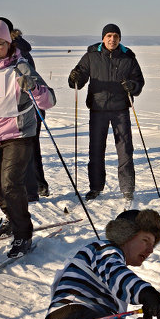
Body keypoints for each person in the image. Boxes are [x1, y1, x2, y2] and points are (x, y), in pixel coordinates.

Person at [0, 18, 56, 257]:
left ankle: (23, 234)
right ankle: (11, 217)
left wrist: (33, 87)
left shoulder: (20, 67)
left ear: (8, 43)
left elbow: (49, 101)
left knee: (11, 184)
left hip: (18, 134)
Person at [68, 23, 144, 203]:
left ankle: (127, 189)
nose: (112, 39)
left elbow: (139, 82)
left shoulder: (128, 57)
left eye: (116, 36)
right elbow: (78, 80)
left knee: (125, 149)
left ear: (120, 39)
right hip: (98, 109)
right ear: (103, 38)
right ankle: (95, 187)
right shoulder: (91, 56)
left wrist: (132, 86)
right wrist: (74, 78)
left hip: (120, 110)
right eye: (109, 36)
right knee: (96, 150)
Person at [0, 17, 50, 200]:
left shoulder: (18, 53)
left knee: (29, 147)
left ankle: (35, 188)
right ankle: (36, 186)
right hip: (9, 108)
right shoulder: (4, 51)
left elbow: (30, 82)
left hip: (26, 107)